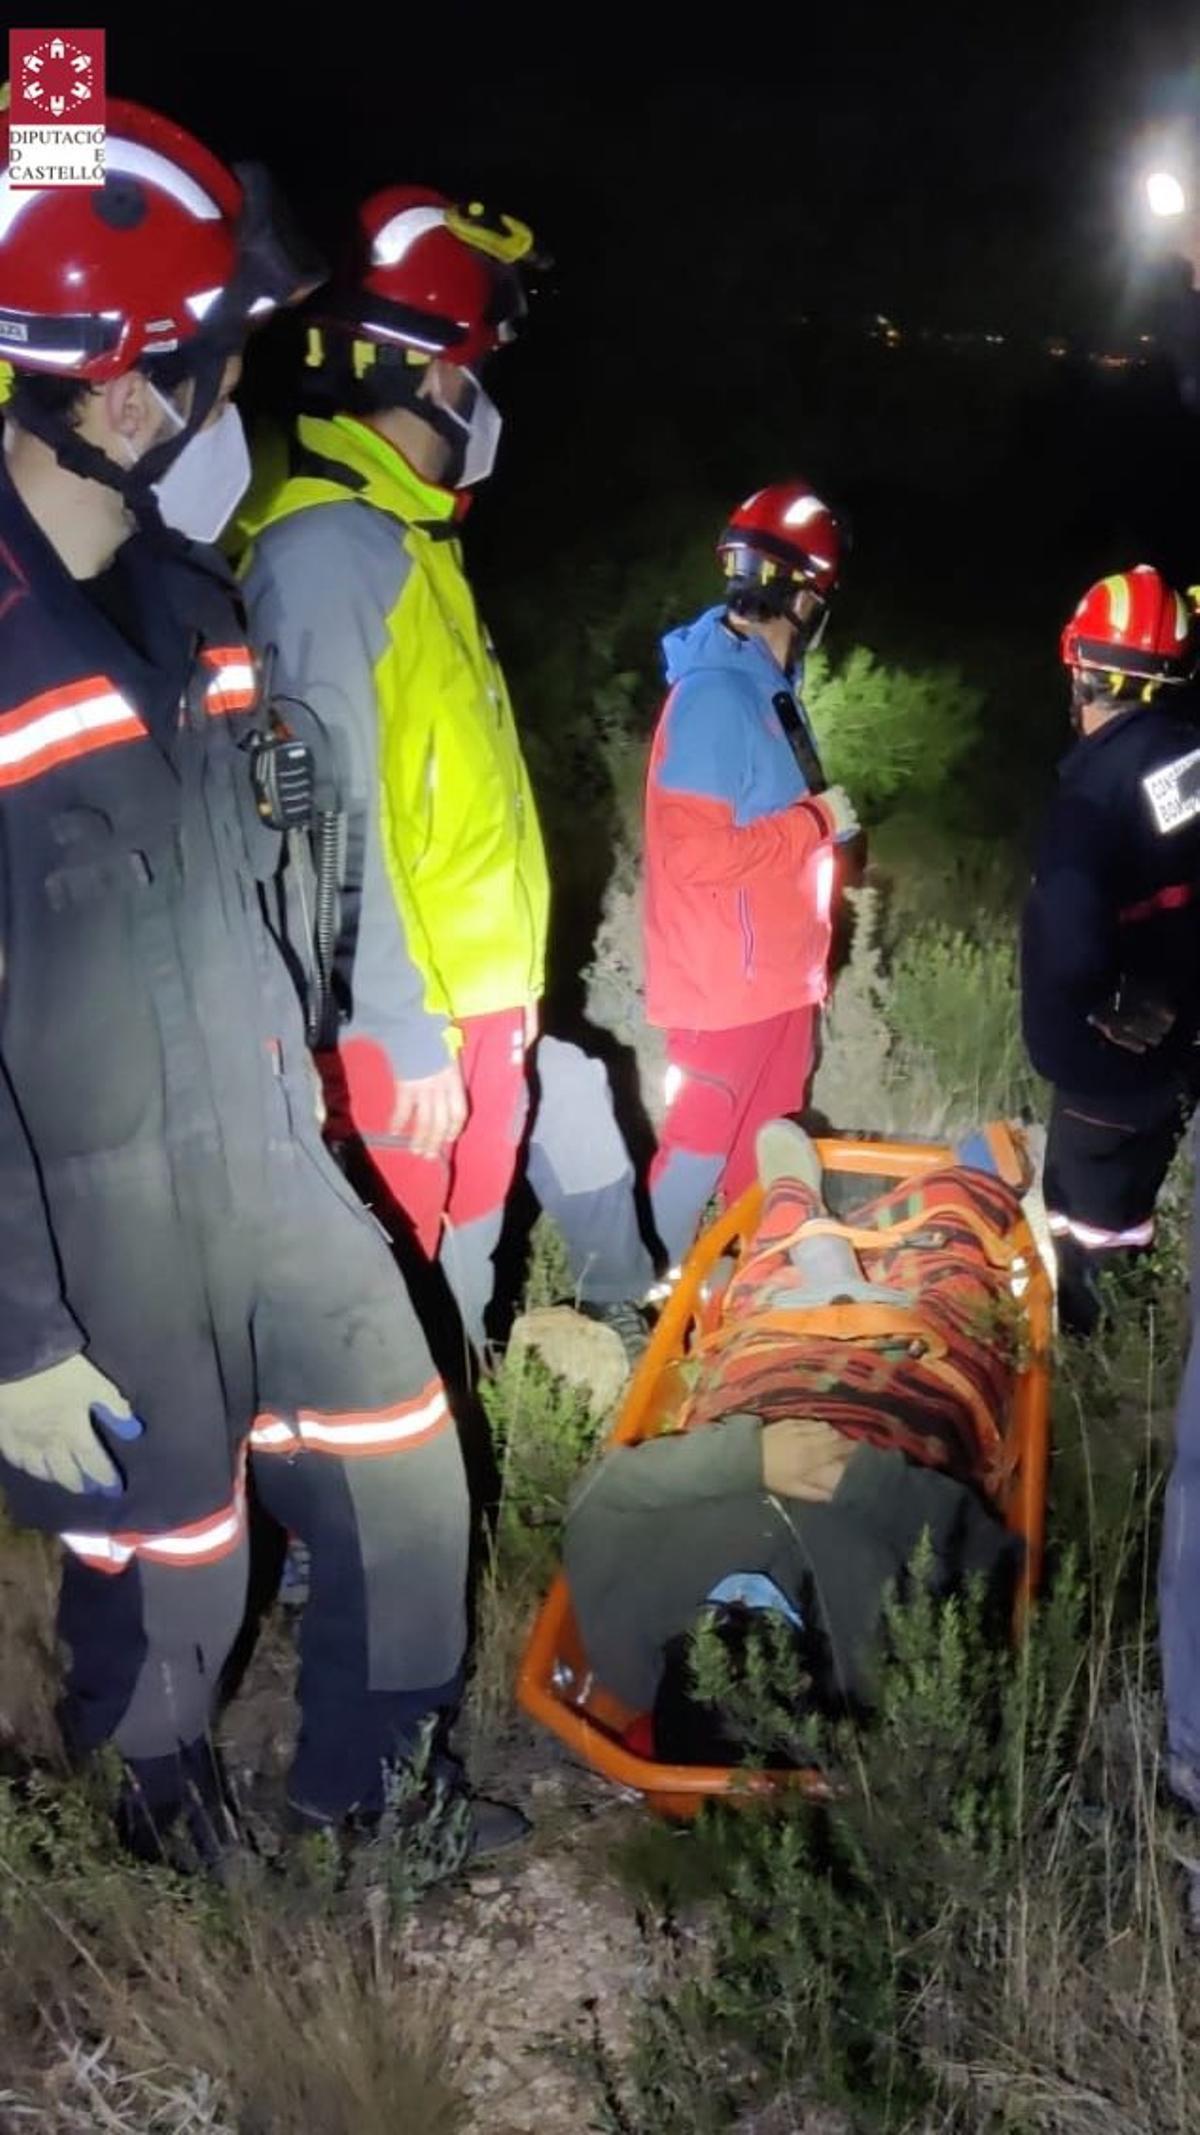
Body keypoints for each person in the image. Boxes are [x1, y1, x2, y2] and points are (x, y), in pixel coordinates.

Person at [0, 104, 519, 1864]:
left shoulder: (199, 609)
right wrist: (16, 1331)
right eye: (217, 362)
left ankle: (379, 1798)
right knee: (175, 1565)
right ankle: (160, 1848)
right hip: (100, 1223)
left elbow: (278, 879)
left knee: (405, 1467)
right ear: (120, 392)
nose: (241, 392)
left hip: (269, 1158)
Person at [241, 188, 651, 1354]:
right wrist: (401, 1024)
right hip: (408, 1027)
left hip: (472, 1005)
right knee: (401, 1316)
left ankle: (468, 1434)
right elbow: (328, 815)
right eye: (478, 370)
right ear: (430, 373)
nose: (483, 398)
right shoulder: (327, 551)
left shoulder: (410, 536)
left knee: (457, 1289)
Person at [563, 1120, 1028, 1758]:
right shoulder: (873, 1674)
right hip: (897, 1407)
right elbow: (982, 1557)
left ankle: (794, 1210)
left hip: (760, 1391)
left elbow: (604, 1494)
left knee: (769, 1292)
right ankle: (963, 1188)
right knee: (948, 1280)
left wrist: (749, 1459)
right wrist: (862, 1479)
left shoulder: (625, 1640)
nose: (736, 1609)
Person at [641, 481, 860, 1277]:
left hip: (778, 983)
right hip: (724, 987)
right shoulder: (713, 698)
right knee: (697, 1151)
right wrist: (813, 826)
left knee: (768, 1155)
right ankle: (631, 1296)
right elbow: (693, 854)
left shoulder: (768, 690)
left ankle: (754, 1291)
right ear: (802, 600)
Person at [1020, 565, 1200, 1335]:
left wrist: (1096, 1005)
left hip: (1104, 1071)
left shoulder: (1091, 795)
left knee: (1085, 1223)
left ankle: (1088, 1348)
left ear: (1084, 671)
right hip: (1174, 1046)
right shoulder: (1187, 758)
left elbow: (1068, 932)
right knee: (1131, 1202)